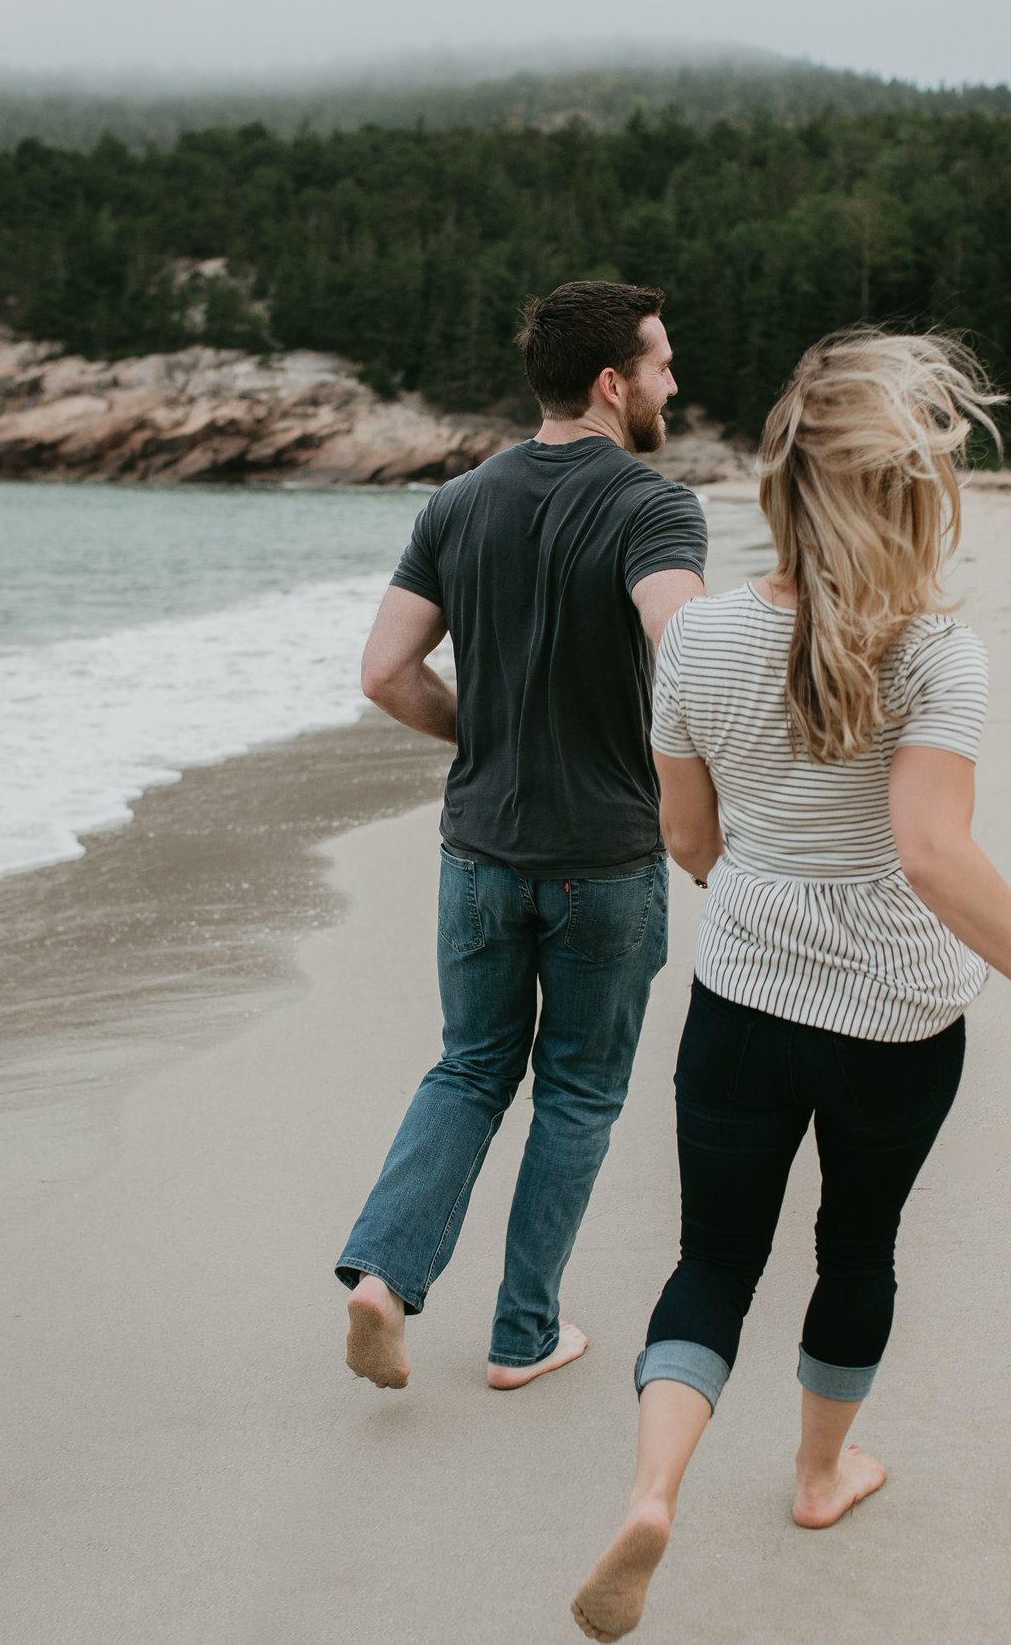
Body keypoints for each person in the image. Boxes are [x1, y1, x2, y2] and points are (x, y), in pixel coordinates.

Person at [568, 331, 1011, 1641]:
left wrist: (764, 907)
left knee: (713, 1257)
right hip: (896, 1017)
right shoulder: (933, 655)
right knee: (857, 1242)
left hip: (741, 998)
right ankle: (821, 1470)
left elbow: (686, 837)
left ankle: (652, 1489)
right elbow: (930, 850)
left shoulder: (701, 640)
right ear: (909, 497)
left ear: (778, 489)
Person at [336, 281, 710, 1392]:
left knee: (470, 1067)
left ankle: (383, 1276)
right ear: (613, 383)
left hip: (478, 855)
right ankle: (523, 1332)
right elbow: (684, 649)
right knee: (581, 1092)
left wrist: (485, 732)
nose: (673, 382)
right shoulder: (654, 504)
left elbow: (384, 673)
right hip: (602, 861)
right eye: (661, 364)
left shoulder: (454, 505)